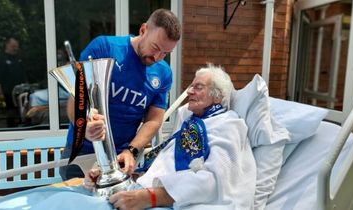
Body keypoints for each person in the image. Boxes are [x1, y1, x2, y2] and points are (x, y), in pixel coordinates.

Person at [83, 64, 257, 209]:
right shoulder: (190, 123)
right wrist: (112, 176)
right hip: (145, 189)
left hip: (167, 200)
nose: (189, 91)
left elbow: (215, 181)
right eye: (191, 86)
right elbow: (165, 166)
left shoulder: (229, 125)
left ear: (218, 96)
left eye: (198, 87)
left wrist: (147, 198)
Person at [60, 8, 182, 180]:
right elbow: (76, 97)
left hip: (120, 157)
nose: (157, 57)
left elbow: (154, 120)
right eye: (155, 48)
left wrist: (132, 150)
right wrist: (83, 126)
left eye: (166, 53)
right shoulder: (104, 47)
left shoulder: (164, 73)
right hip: (81, 153)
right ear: (143, 30)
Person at [0, 37, 27, 127]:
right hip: (8, 91)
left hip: (21, 90)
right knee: (11, 111)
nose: (15, 48)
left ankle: (23, 125)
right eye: (13, 46)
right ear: (7, 45)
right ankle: (11, 128)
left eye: (17, 46)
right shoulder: (1, 58)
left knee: (23, 109)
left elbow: (23, 73)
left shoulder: (18, 58)